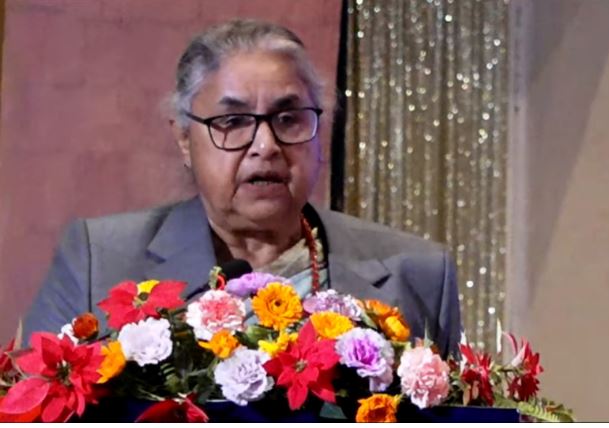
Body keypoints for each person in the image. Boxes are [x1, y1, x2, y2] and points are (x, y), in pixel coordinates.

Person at [23, 19, 461, 358]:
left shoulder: (418, 274)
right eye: (232, 121)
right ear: (184, 138)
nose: (266, 146)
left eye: (288, 119)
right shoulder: (98, 261)